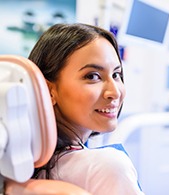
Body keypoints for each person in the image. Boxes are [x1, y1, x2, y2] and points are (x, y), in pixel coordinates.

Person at [29, 23, 144, 195]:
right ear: (48, 90)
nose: (114, 92)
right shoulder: (106, 167)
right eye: (93, 76)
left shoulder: (28, 168)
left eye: (116, 75)